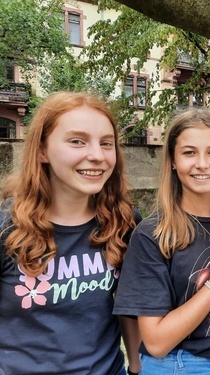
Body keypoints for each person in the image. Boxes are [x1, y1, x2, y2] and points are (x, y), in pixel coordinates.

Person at [0, 91, 142, 375]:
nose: (97, 156)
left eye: (106, 143)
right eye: (77, 141)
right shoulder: (6, 228)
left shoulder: (123, 222)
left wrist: (136, 368)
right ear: (42, 150)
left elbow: (130, 304)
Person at [113, 107, 210, 374]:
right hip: (176, 365)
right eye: (189, 152)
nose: (202, 163)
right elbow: (156, 342)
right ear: (173, 161)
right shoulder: (153, 235)